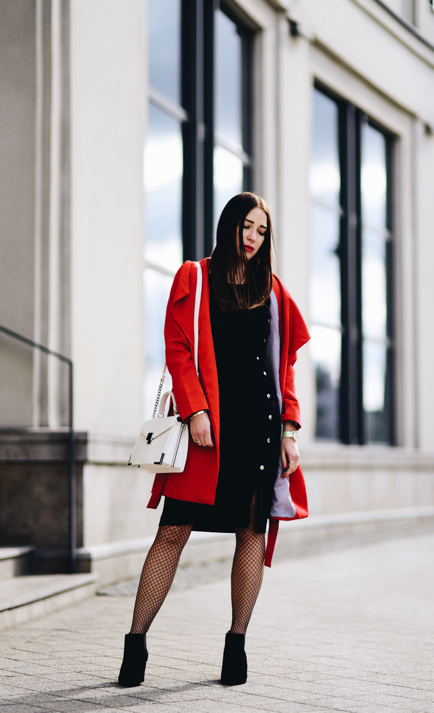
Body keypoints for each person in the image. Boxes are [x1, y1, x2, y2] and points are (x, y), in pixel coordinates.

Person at [118, 192, 310, 688]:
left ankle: (235, 645)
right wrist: (196, 409)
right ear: (229, 226)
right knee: (174, 530)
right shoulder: (195, 277)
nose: (253, 237)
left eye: (262, 231)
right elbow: (178, 348)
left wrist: (289, 430)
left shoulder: (273, 290)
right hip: (209, 433)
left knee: (252, 532)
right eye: (247, 227)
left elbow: (283, 365)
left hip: (260, 431)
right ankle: (135, 641)